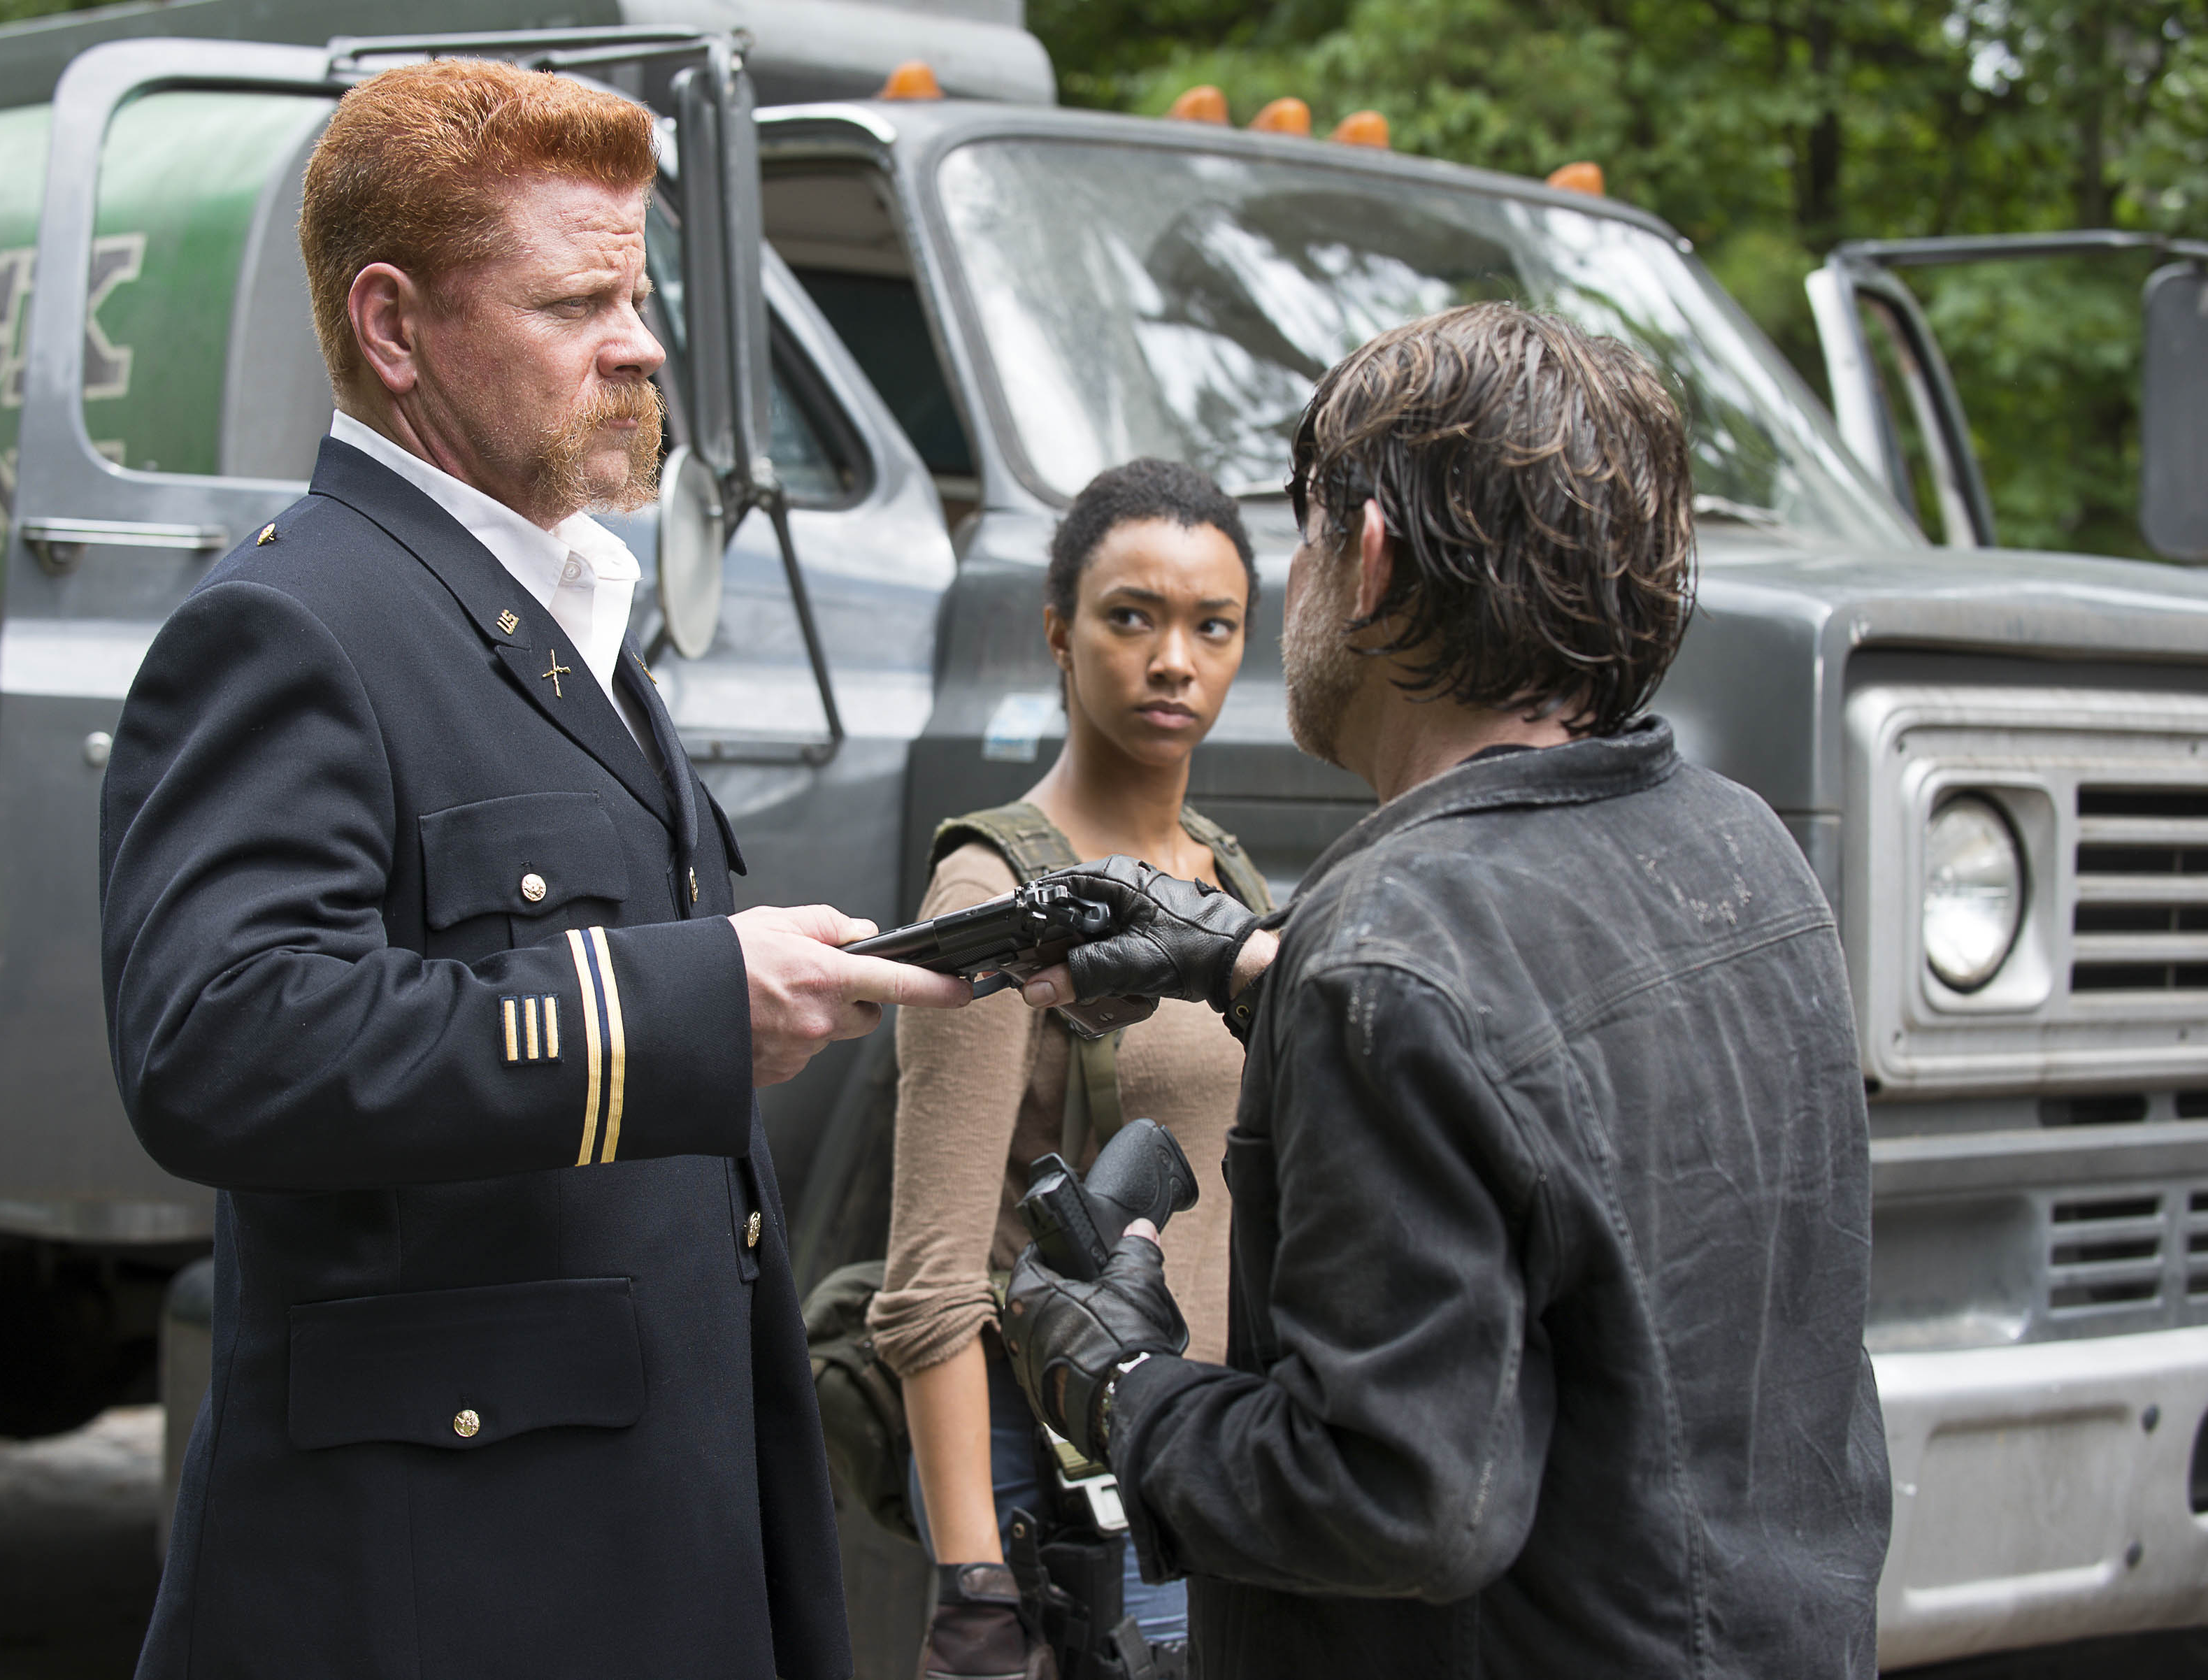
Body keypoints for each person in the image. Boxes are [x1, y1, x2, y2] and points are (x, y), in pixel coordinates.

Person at [96, 60, 968, 1680]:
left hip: (631, 1529)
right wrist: (685, 1005)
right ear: (393, 326)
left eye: (636, 299)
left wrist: (778, 974)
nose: (640, 346)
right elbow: (219, 1041)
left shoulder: (551, 599)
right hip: (441, 1580)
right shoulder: (290, 625)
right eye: (576, 303)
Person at [1001, 303, 1891, 1677]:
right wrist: (1247, 960)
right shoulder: (1741, 848)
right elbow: (1544, 1070)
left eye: (1303, 538)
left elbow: (1394, 1499)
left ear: (1368, 561)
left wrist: (1129, 1389)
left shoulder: (1385, 955)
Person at [873, 461, 1271, 1680]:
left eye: (1213, 626)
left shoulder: (1227, 884)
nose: (1173, 662)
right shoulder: (999, 892)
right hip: (1074, 1481)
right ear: (1059, 632)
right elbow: (934, 1283)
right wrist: (975, 1591)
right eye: (1131, 617)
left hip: (1219, 1455)